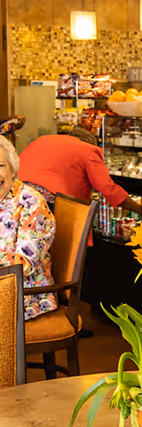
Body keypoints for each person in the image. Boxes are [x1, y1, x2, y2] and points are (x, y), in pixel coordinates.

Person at [18, 127, 141, 216]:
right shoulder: (88, 149)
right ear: (89, 142)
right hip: (48, 204)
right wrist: (140, 210)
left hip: (16, 195)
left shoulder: (43, 140)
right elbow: (107, 188)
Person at [0, 136, 56, 320]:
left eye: (0, 166)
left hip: (24, 295)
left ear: (12, 169)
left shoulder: (30, 202)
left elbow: (23, 263)